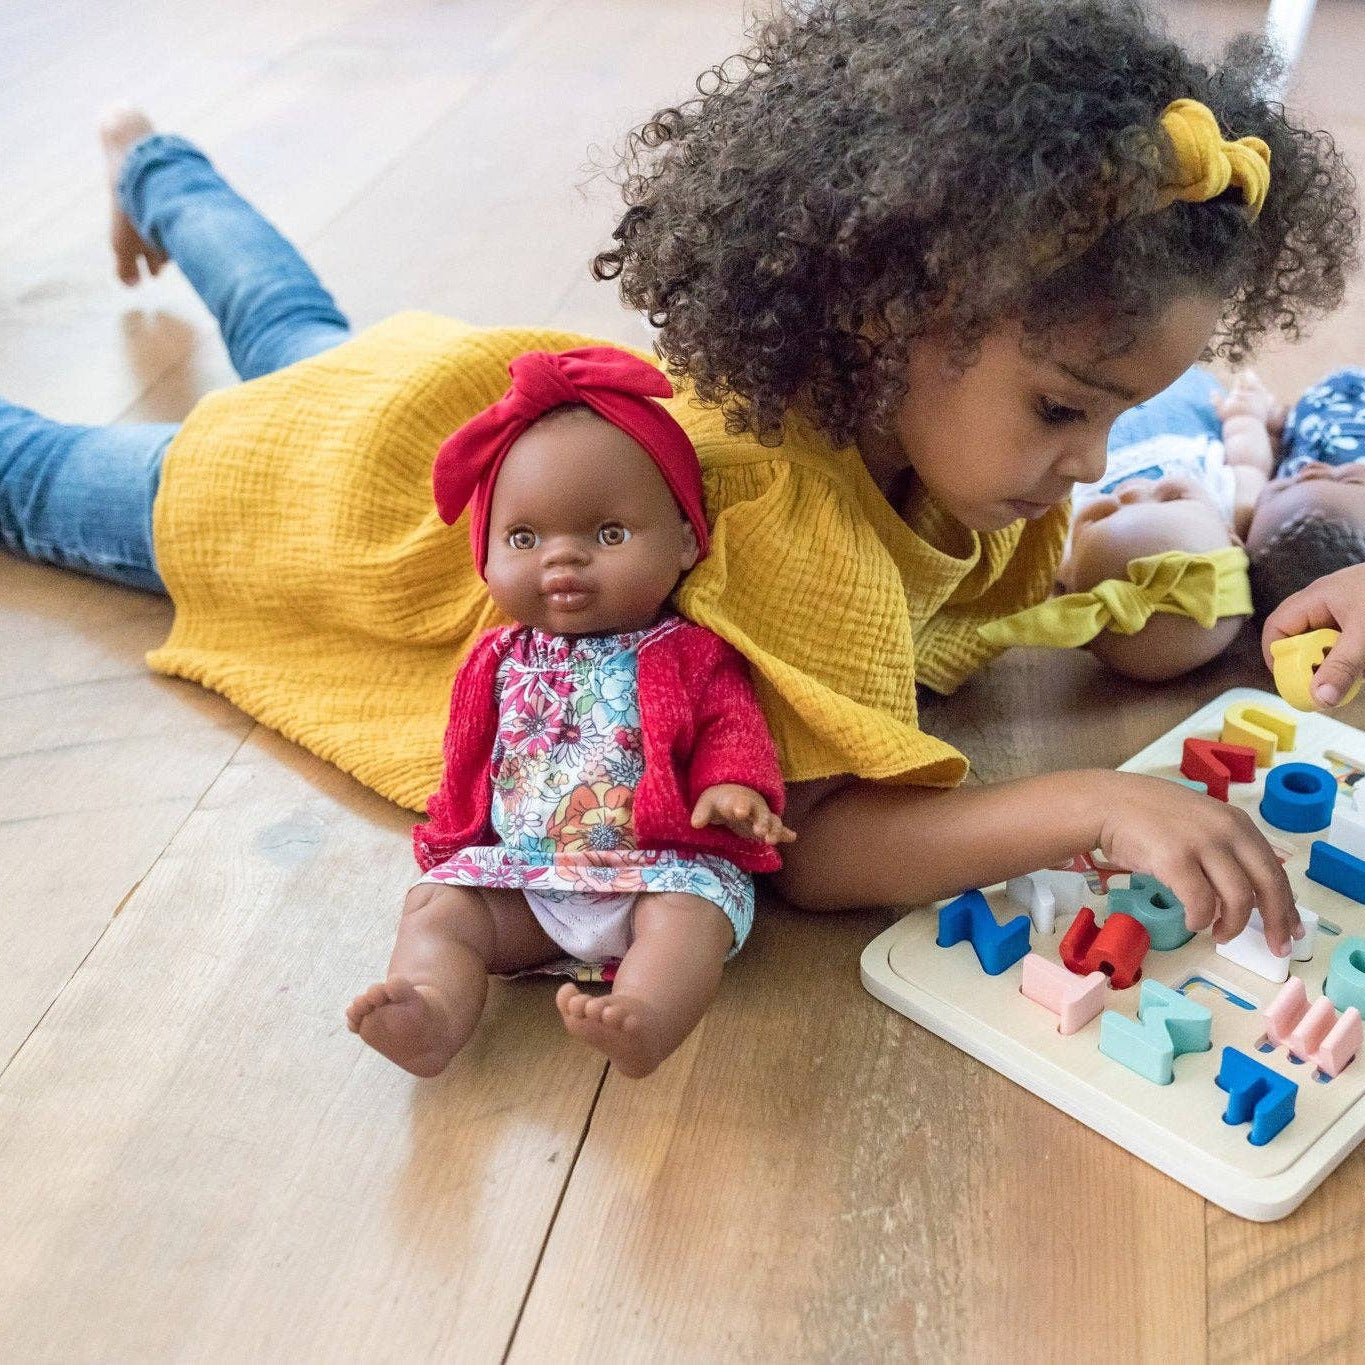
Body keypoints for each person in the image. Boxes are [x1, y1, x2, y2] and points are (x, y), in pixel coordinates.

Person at [3, 1, 1360, 970]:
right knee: (45, 476)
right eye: (1065, 407)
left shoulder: (934, 430)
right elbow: (815, 847)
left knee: (293, 324)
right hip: (313, 508)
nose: (1088, 463)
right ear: (892, 311)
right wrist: (1094, 800)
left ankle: (148, 156)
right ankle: (147, 158)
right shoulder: (780, 505)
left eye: (1118, 416)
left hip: (426, 392)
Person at [347, 347, 794, 1078]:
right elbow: (469, 760)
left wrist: (731, 787)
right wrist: (453, 840)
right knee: (437, 908)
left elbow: (729, 726)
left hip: (658, 871)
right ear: (485, 558)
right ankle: (432, 1011)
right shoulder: (494, 658)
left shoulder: (688, 651)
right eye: (525, 539)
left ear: (686, 539)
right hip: (528, 881)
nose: (562, 560)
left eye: (607, 534)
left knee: (690, 921)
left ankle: (647, 1014)